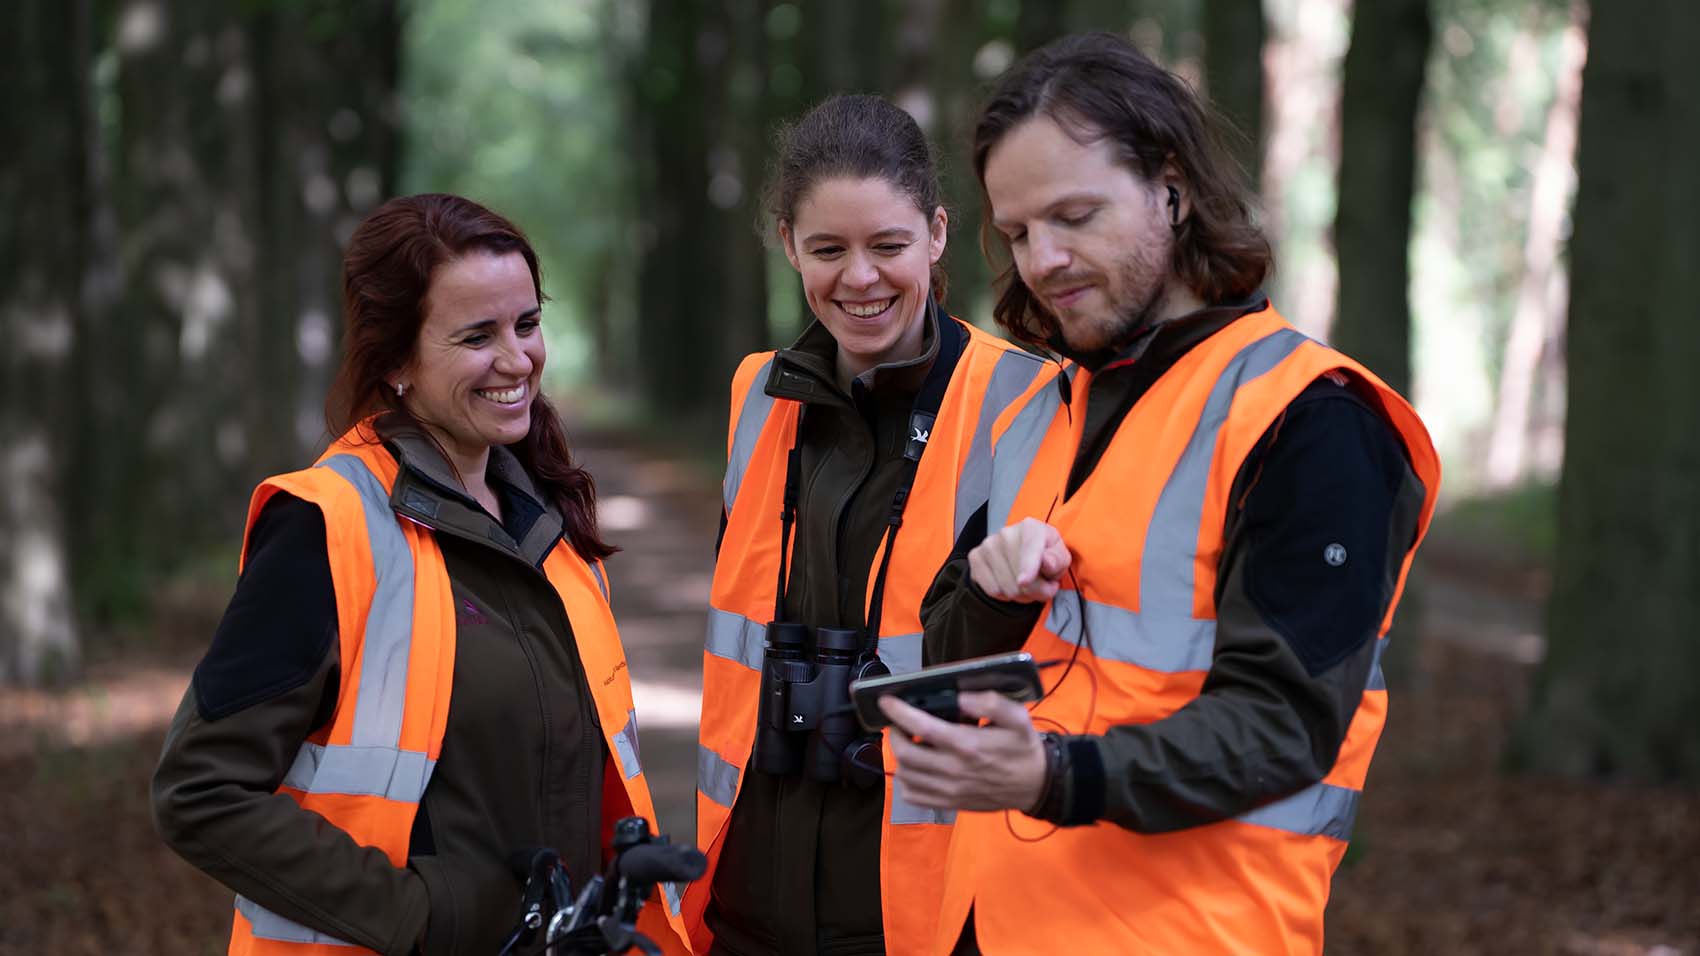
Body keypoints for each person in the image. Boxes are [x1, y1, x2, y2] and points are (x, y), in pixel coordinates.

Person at [878, 33, 1443, 956]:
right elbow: (945, 645)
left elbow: (1281, 727)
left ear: (1172, 190)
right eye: (1017, 232)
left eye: (1074, 216)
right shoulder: (1035, 410)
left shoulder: (1313, 418)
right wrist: (987, 589)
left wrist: (1056, 775)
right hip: (988, 925)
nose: (1042, 260)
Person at [152, 193, 690, 956]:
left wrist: (607, 870)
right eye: (478, 336)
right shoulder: (326, 524)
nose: (517, 360)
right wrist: (422, 916)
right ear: (398, 360)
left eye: (528, 325)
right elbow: (197, 793)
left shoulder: (546, 517)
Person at [681, 95, 1051, 956]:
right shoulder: (754, 396)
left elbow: (1023, 668)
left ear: (937, 233)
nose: (860, 278)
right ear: (786, 245)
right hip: (746, 890)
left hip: (920, 903)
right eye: (827, 249)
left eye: (888, 245)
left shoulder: (1025, 402)